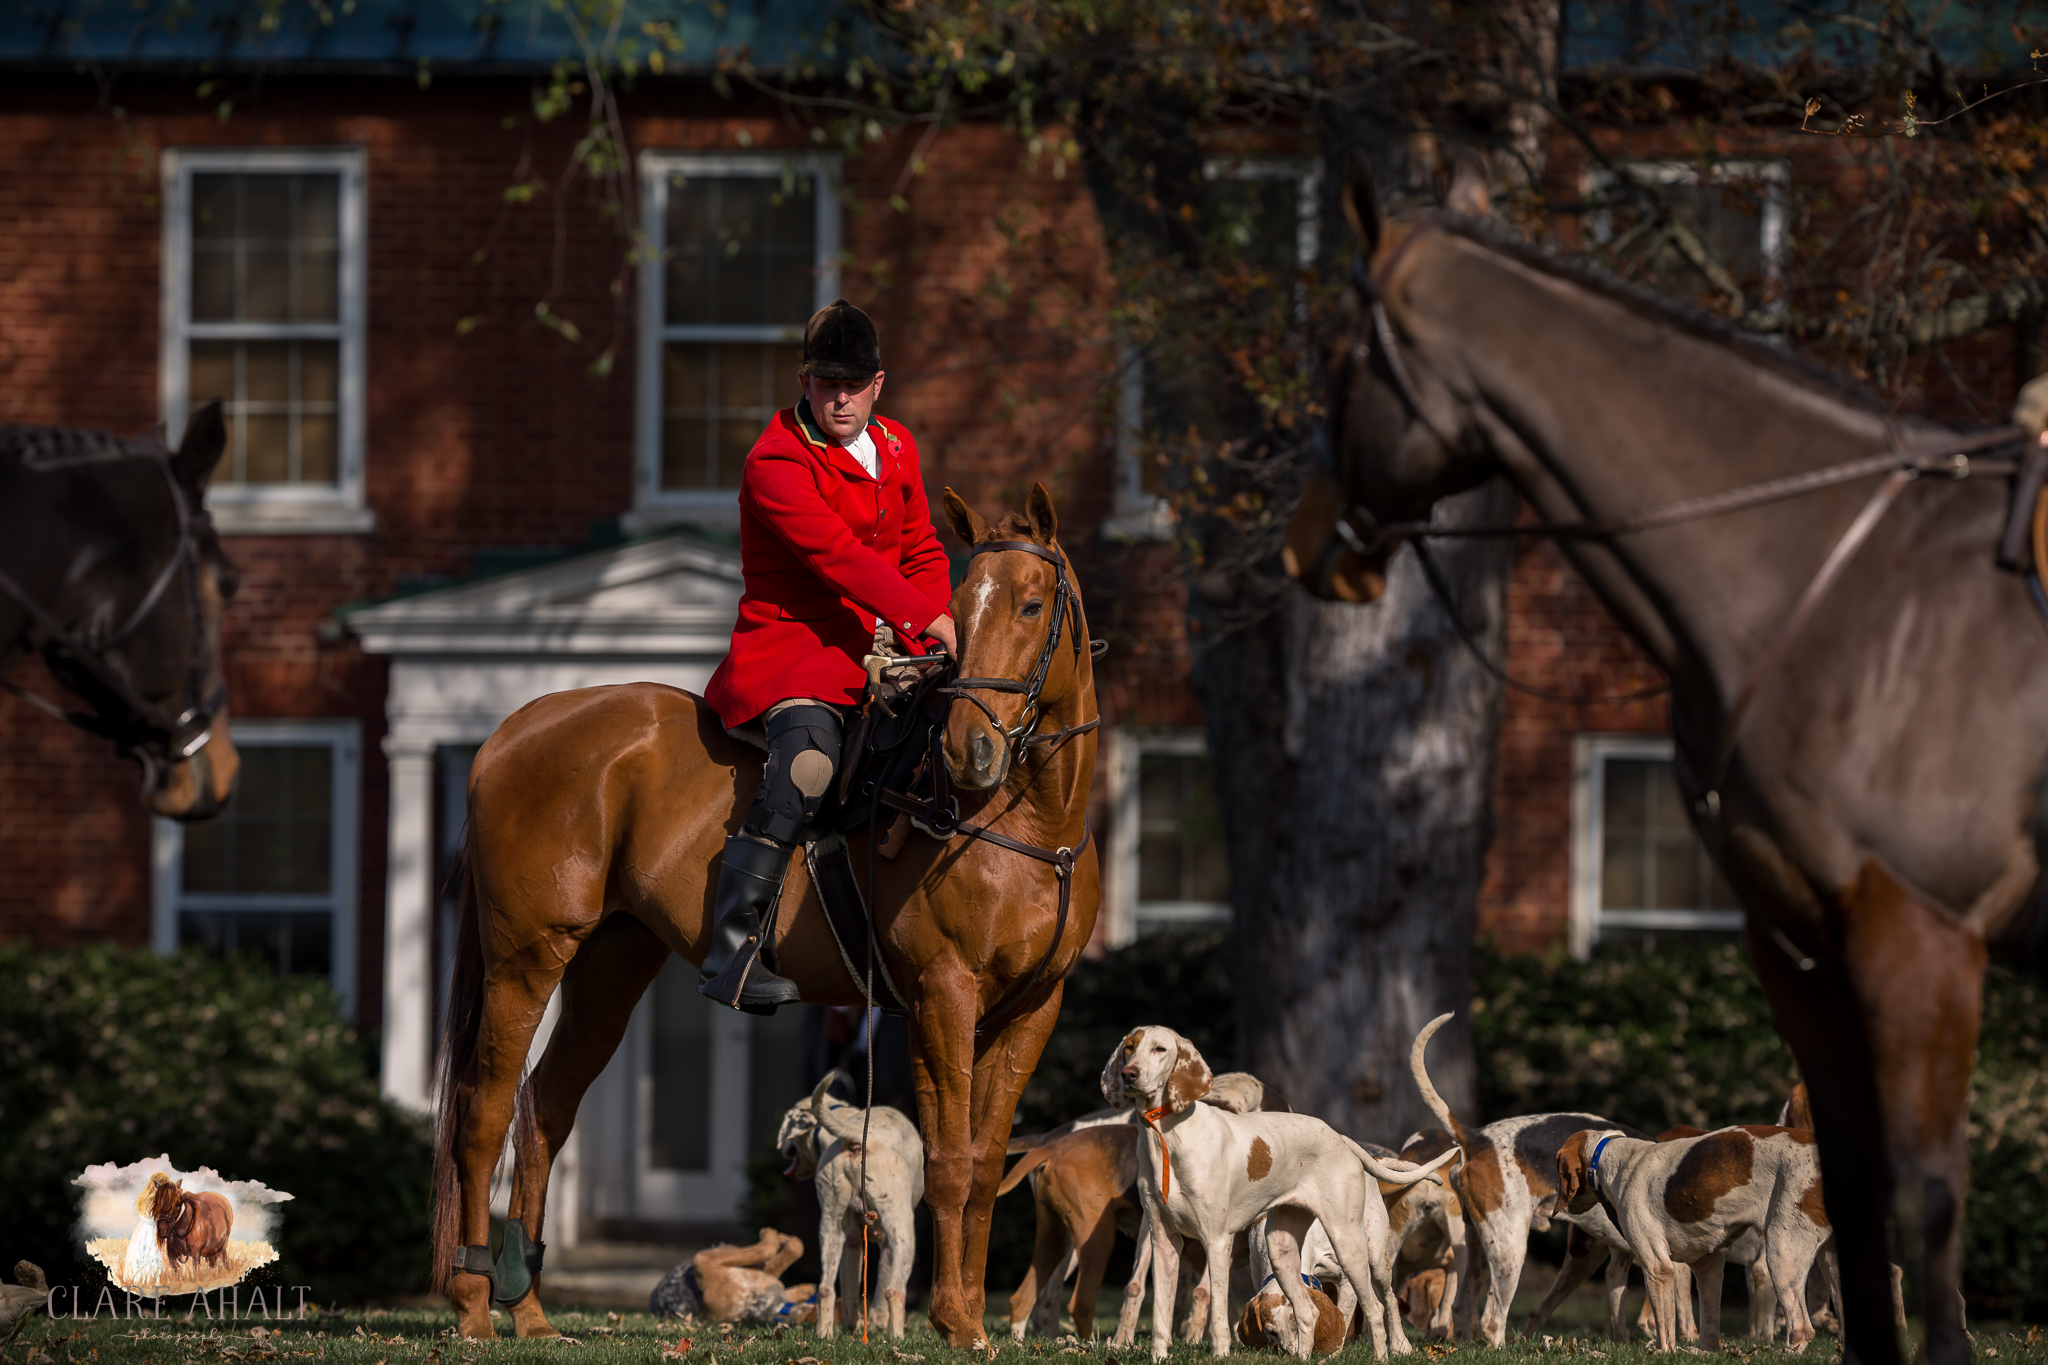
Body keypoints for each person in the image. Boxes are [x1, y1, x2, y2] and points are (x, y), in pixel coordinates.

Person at [698, 299, 956, 1012]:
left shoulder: (897, 446)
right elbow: (836, 558)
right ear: (805, 381)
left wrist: (935, 632)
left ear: (879, 383)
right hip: (796, 650)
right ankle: (734, 947)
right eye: (824, 381)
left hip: (888, 649)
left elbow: (922, 549)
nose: (838, 398)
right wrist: (924, 616)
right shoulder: (774, 459)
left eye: (852, 383)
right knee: (811, 763)